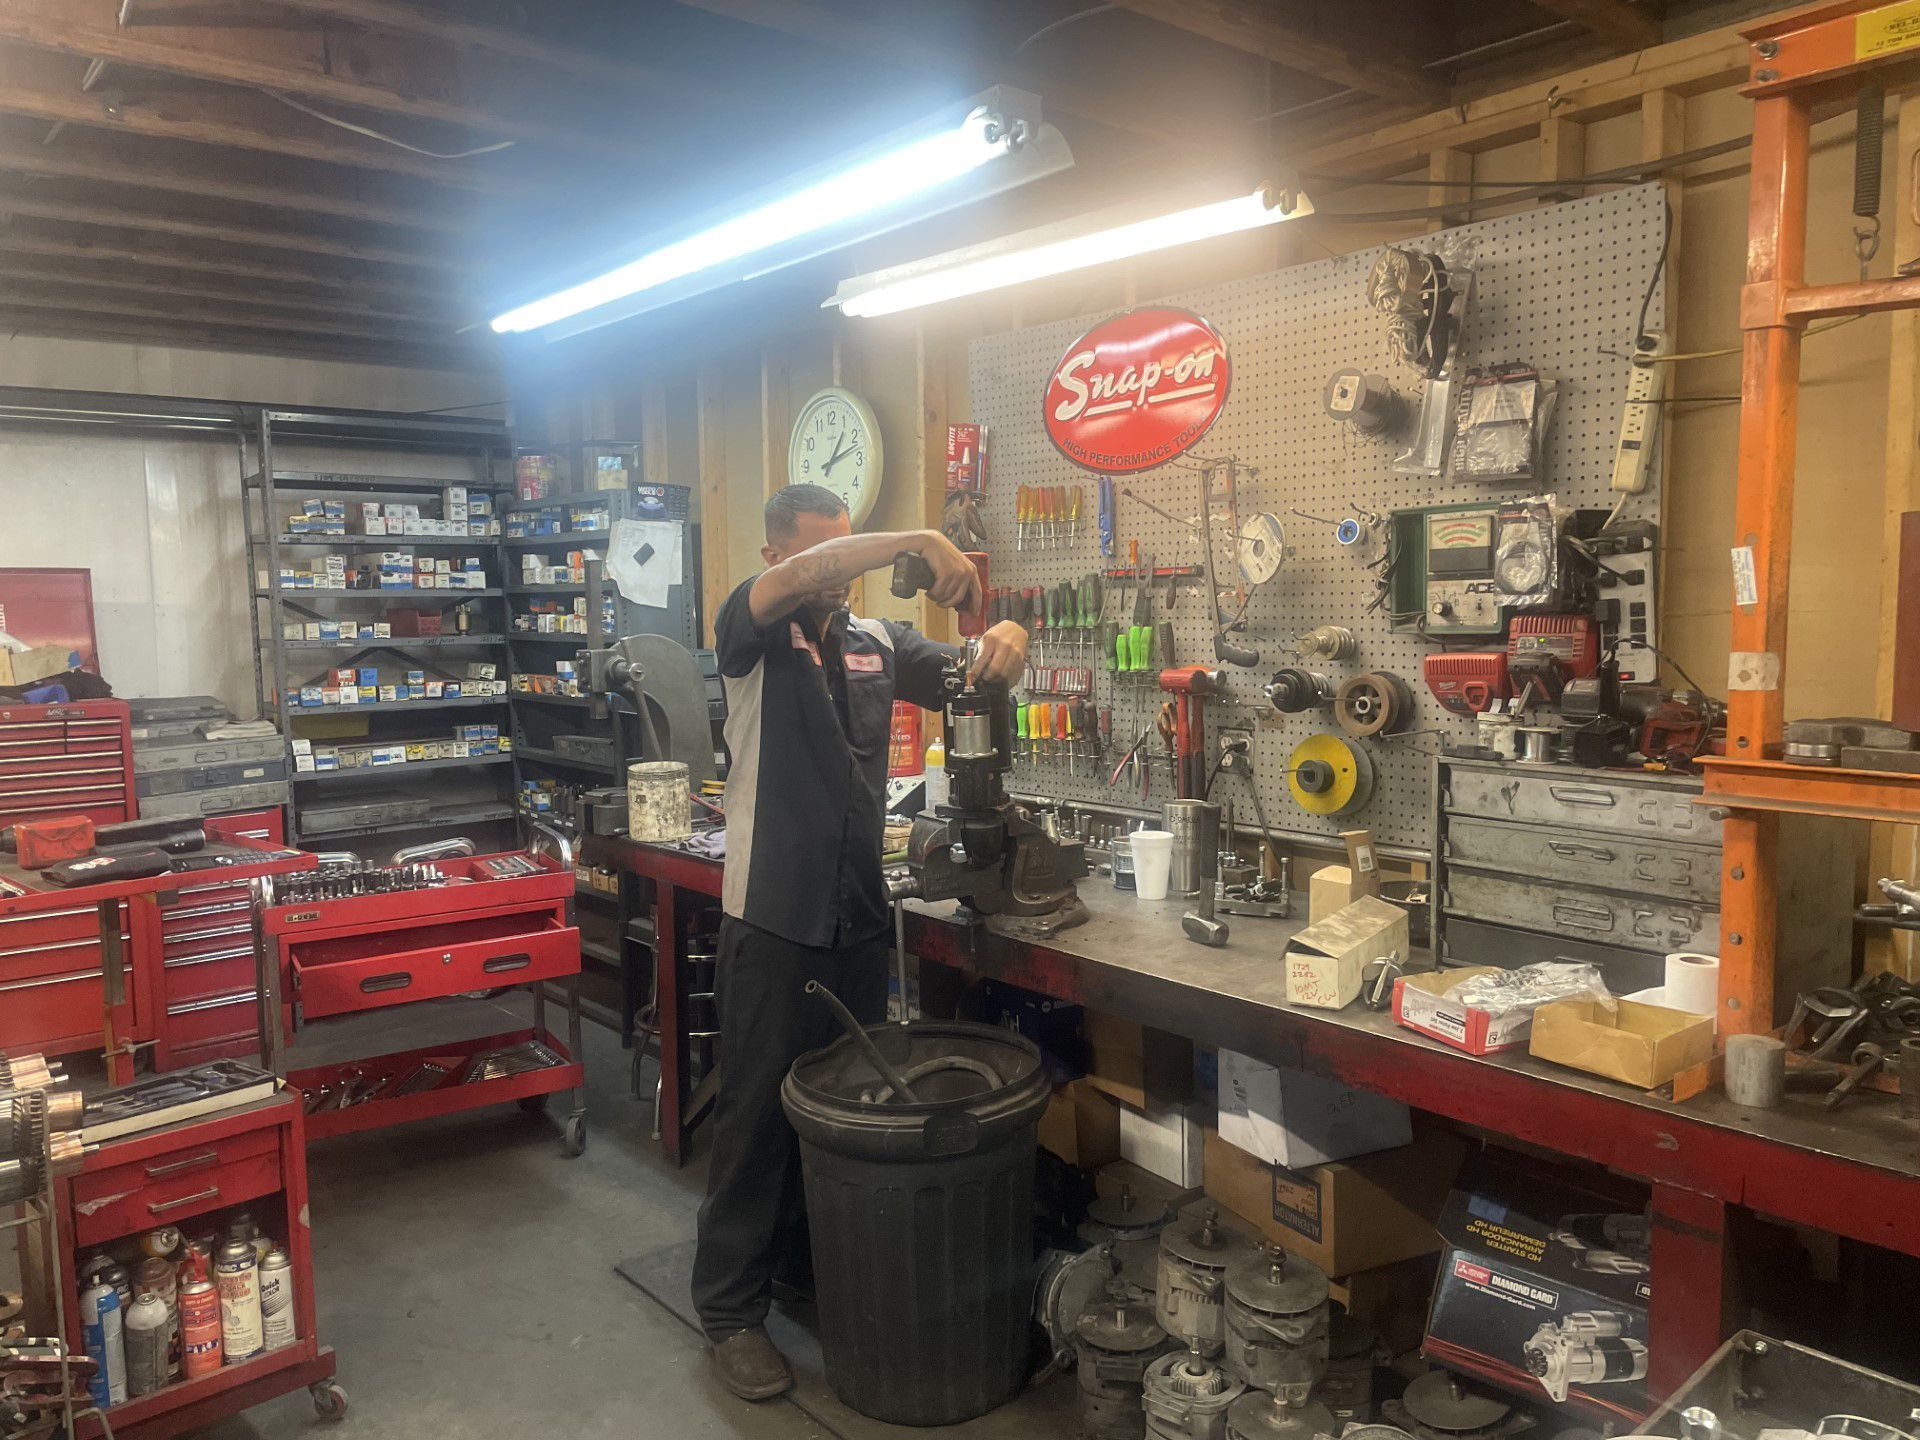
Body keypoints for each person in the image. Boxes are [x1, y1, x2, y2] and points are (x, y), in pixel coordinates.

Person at [693, 483, 1029, 1400]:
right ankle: (728, 1311)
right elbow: (812, 574)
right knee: (757, 1120)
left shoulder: (876, 642)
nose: (837, 581)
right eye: (819, 560)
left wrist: (1007, 644)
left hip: (857, 913)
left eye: (846, 557)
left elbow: (968, 675)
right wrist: (915, 537)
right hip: (771, 917)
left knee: (845, 1106)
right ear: (776, 560)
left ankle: (809, 1271)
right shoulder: (748, 632)